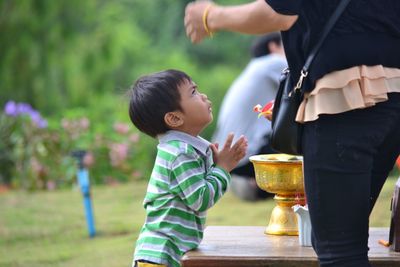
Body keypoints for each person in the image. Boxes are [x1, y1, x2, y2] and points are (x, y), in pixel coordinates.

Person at [184, 1, 400, 266]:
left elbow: (279, 11)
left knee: (339, 249)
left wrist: (211, 17)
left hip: (345, 100)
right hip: (393, 98)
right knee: (344, 235)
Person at [128, 69, 248, 267]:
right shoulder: (179, 153)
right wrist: (223, 168)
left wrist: (215, 167)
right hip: (160, 255)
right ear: (174, 119)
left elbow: (194, 189)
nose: (203, 96)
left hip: (168, 251)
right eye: (193, 92)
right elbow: (200, 198)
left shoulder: (185, 148)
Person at [212, 33, 286, 201]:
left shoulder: (252, 70)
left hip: (229, 157)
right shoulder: (272, 62)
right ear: (273, 47)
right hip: (248, 153)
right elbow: (308, 73)